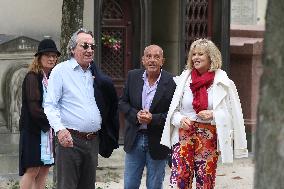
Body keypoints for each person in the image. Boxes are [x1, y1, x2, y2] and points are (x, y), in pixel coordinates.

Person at [160, 38, 248, 189]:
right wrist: (180, 119)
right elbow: (172, 112)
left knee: (205, 182)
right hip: (184, 134)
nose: (195, 57)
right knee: (180, 181)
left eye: (200, 54)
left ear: (211, 57)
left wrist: (214, 114)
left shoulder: (223, 81)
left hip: (208, 135)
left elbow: (233, 116)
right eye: (193, 54)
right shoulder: (183, 80)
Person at [44, 28, 119, 189]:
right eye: (84, 46)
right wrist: (60, 129)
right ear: (72, 49)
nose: (89, 50)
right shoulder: (61, 71)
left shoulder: (96, 74)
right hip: (70, 140)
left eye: (92, 46)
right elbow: (50, 105)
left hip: (92, 141)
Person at [119, 44, 176, 189]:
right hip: (135, 138)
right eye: (149, 56)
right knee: (130, 184)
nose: (152, 60)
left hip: (158, 141)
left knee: (154, 185)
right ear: (143, 60)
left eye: (157, 57)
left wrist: (153, 119)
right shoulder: (133, 76)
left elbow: (173, 114)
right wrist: (135, 115)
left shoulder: (171, 82)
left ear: (163, 61)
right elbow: (122, 103)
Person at [19, 38, 60, 189]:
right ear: (39, 57)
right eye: (47, 55)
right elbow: (34, 108)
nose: (51, 58)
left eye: (54, 56)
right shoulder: (32, 76)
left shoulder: (52, 77)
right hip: (33, 130)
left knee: (44, 170)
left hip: (47, 131)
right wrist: (54, 123)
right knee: (32, 169)